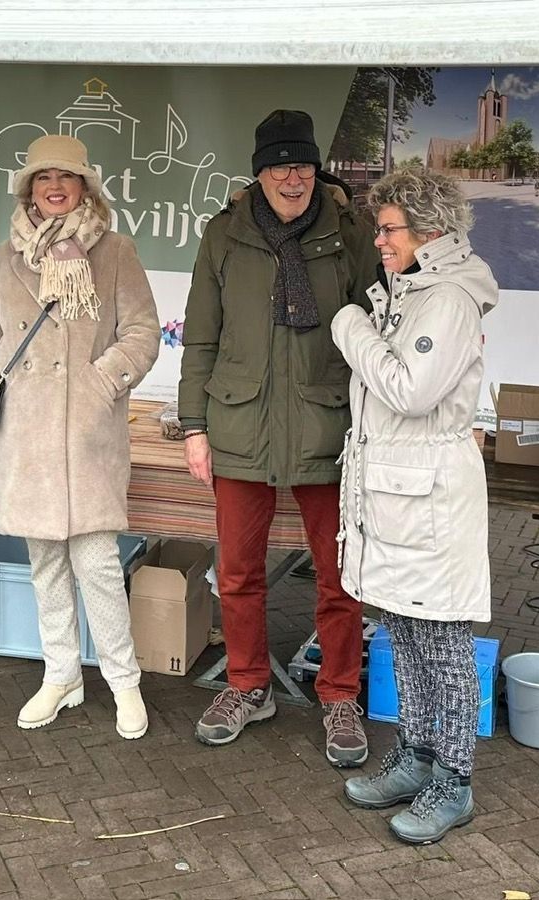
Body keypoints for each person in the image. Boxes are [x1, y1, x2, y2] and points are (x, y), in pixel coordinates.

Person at [177, 110, 380, 766]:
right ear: (258, 172)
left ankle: (340, 694)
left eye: (302, 166)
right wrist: (194, 426)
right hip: (240, 421)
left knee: (339, 574)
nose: (292, 178)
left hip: (328, 423)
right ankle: (247, 685)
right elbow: (201, 336)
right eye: (279, 166)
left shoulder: (350, 235)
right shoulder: (224, 235)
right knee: (237, 573)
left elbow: (375, 337)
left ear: (315, 171)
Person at [0, 135, 160, 739]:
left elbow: (143, 333)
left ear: (84, 188)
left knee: (96, 564)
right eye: (43, 178)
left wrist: (100, 383)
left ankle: (125, 683)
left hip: (87, 432)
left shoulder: (114, 250)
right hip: (24, 433)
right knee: (44, 564)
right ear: (29, 190)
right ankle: (62, 673)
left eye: (65, 178)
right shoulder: (5, 254)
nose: (54, 187)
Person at [334, 169, 496, 844]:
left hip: (431, 493)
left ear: (429, 229)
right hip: (398, 489)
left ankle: (453, 782)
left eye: (388, 228)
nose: (379, 240)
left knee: (444, 642)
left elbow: (410, 390)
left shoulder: (449, 300)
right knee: (402, 631)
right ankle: (415, 756)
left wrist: (350, 328)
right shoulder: (411, 292)